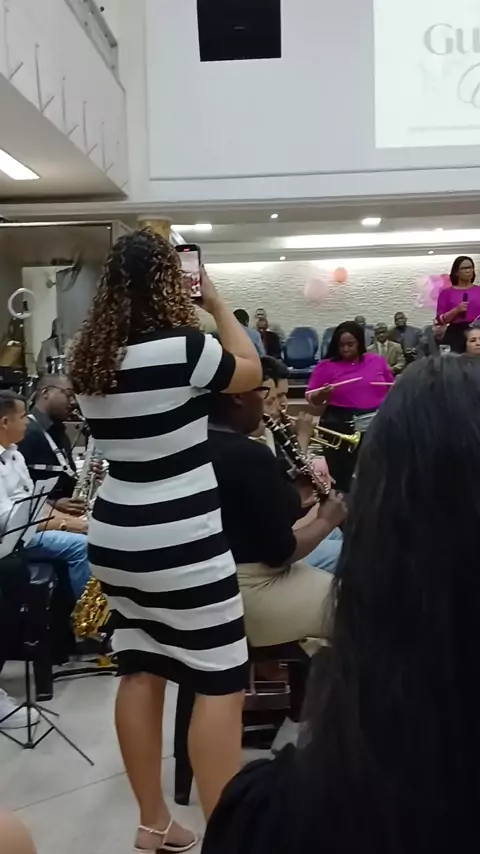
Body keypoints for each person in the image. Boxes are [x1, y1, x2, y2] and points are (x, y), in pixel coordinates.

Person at [203, 355, 480, 854]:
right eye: (267, 396)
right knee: (333, 580)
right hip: (259, 581)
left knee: (342, 586)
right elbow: (281, 546)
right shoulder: (247, 454)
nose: (272, 405)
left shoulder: (272, 818)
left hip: (229, 582)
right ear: (240, 398)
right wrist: (327, 514)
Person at [68, 229, 262, 850]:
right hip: (183, 539)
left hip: (116, 537)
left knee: (139, 668)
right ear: (169, 281)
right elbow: (251, 371)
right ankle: (227, 837)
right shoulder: (187, 348)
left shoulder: (87, 358)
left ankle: (154, 822)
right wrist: (217, 301)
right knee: (219, 682)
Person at [208, 379, 346, 652]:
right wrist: (327, 520)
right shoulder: (248, 454)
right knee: (364, 603)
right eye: (262, 393)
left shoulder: (193, 443)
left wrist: (290, 493)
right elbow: (281, 552)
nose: (265, 403)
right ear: (238, 396)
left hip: (211, 586)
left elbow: (249, 517)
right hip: (249, 591)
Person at [0, 390, 88, 727]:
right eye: (22, 417)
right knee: (81, 545)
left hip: (19, 539)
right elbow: (10, 518)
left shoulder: (14, 455)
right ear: (4, 421)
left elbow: (32, 503)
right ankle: (86, 625)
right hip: (11, 539)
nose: (27, 422)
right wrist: (68, 524)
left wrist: (64, 514)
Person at [306, 321, 393, 492]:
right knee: (343, 477)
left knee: (375, 472)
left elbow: (390, 386)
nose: (346, 349)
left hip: (375, 422)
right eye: (341, 345)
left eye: (350, 344)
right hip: (339, 422)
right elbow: (311, 398)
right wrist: (322, 394)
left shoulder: (377, 361)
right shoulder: (326, 366)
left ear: (360, 343)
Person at [19, 374, 87, 525]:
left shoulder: (59, 432)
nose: (73, 402)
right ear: (46, 393)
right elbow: (11, 490)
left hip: (65, 516)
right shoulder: (25, 432)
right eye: (68, 394)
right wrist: (52, 503)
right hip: (40, 521)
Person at [436, 256, 480, 353]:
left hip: (477, 333)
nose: (468, 271)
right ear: (456, 272)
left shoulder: (479, 290)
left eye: (470, 267)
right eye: (464, 268)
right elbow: (440, 320)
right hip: (456, 334)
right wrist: (456, 310)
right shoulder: (446, 293)